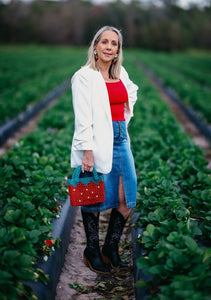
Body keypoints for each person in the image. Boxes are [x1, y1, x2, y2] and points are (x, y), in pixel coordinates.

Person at [70, 26, 138, 274]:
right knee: (93, 194)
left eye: (115, 43)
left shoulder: (121, 74)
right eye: (105, 42)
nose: (110, 47)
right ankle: (91, 250)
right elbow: (83, 116)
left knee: (126, 198)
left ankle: (110, 248)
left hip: (121, 139)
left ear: (118, 50)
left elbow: (130, 93)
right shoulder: (84, 77)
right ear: (96, 46)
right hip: (98, 140)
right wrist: (87, 149)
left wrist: (121, 122)